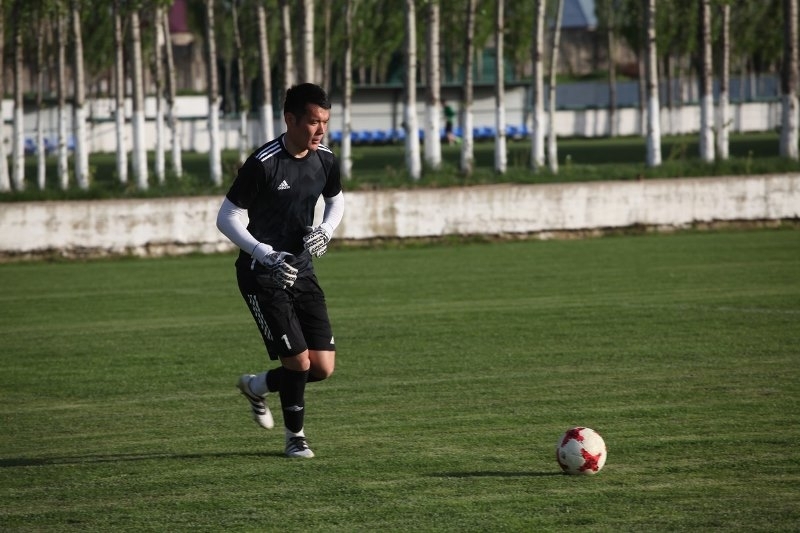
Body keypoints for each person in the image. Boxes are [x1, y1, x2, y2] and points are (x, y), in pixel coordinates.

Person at [216, 83, 344, 459]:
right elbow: (227, 217)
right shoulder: (264, 163)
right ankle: (295, 438)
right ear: (290, 119)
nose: (321, 130)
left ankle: (257, 386)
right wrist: (264, 253)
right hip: (262, 273)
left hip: (301, 269)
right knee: (298, 362)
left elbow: (336, 200)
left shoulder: (326, 159)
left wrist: (326, 230)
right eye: (313, 122)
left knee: (321, 367)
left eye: (325, 122)